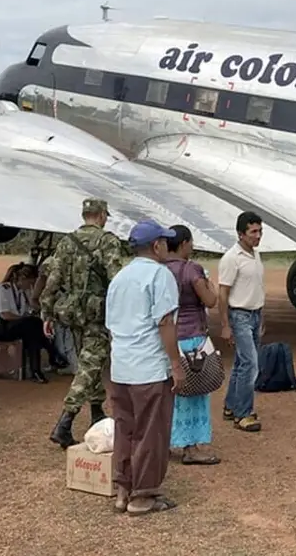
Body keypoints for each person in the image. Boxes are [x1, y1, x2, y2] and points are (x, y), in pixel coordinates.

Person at [104, 219, 184, 516]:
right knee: (152, 431)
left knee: (125, 428)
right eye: (164, 241)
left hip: (121, 368)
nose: (167, 246)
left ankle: (122, 491)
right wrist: (176, 364)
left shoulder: (119, 278)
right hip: (149, 369)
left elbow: (111, 328)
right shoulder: (159, 275)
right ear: (156, 246)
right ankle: (143, 496)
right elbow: (165, 322)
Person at [43, 198, 128, 448]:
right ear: (101, 215)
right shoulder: (108, 241)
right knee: (90, 365)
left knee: (88, 360)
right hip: (97, 314)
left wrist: (46, 314)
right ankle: (65, 422)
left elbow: (52, 280)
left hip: (72, 314)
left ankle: (97, 412)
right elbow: (116, 279)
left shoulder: (66, 241)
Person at [163, 225, 221, 465]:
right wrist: (209, 284)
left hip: (166, 338)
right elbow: (210, 300)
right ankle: (191, 447)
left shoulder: (160, 269)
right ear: (184, 243)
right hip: (191, 337)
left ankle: (164, 442)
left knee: (168, 393)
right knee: (194, 392)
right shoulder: (191, 270)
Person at [218, 211, 265, 433]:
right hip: (240, 315)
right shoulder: (231, 258)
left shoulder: (256, 255)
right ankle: (243, 413)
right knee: (250, 363)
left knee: (241, 363)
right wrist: (225, 324)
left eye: (260, 231)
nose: (258, 236)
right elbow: (223, 292)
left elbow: (257, 287)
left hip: (255, 314)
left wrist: (261, 317)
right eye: (253, 232)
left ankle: (231, 405)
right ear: (240, 234)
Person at [0, 263, 64, 383]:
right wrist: (25, 318)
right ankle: (52, 353)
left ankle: (36, 371)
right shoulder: (3, 289)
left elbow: (31, 308)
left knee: (33, 335)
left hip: (20, 326)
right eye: (30, 282)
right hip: (2, 327)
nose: (31, 286)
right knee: (33, 324)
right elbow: (5, 315)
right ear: (22, 279)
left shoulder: (23, 292)